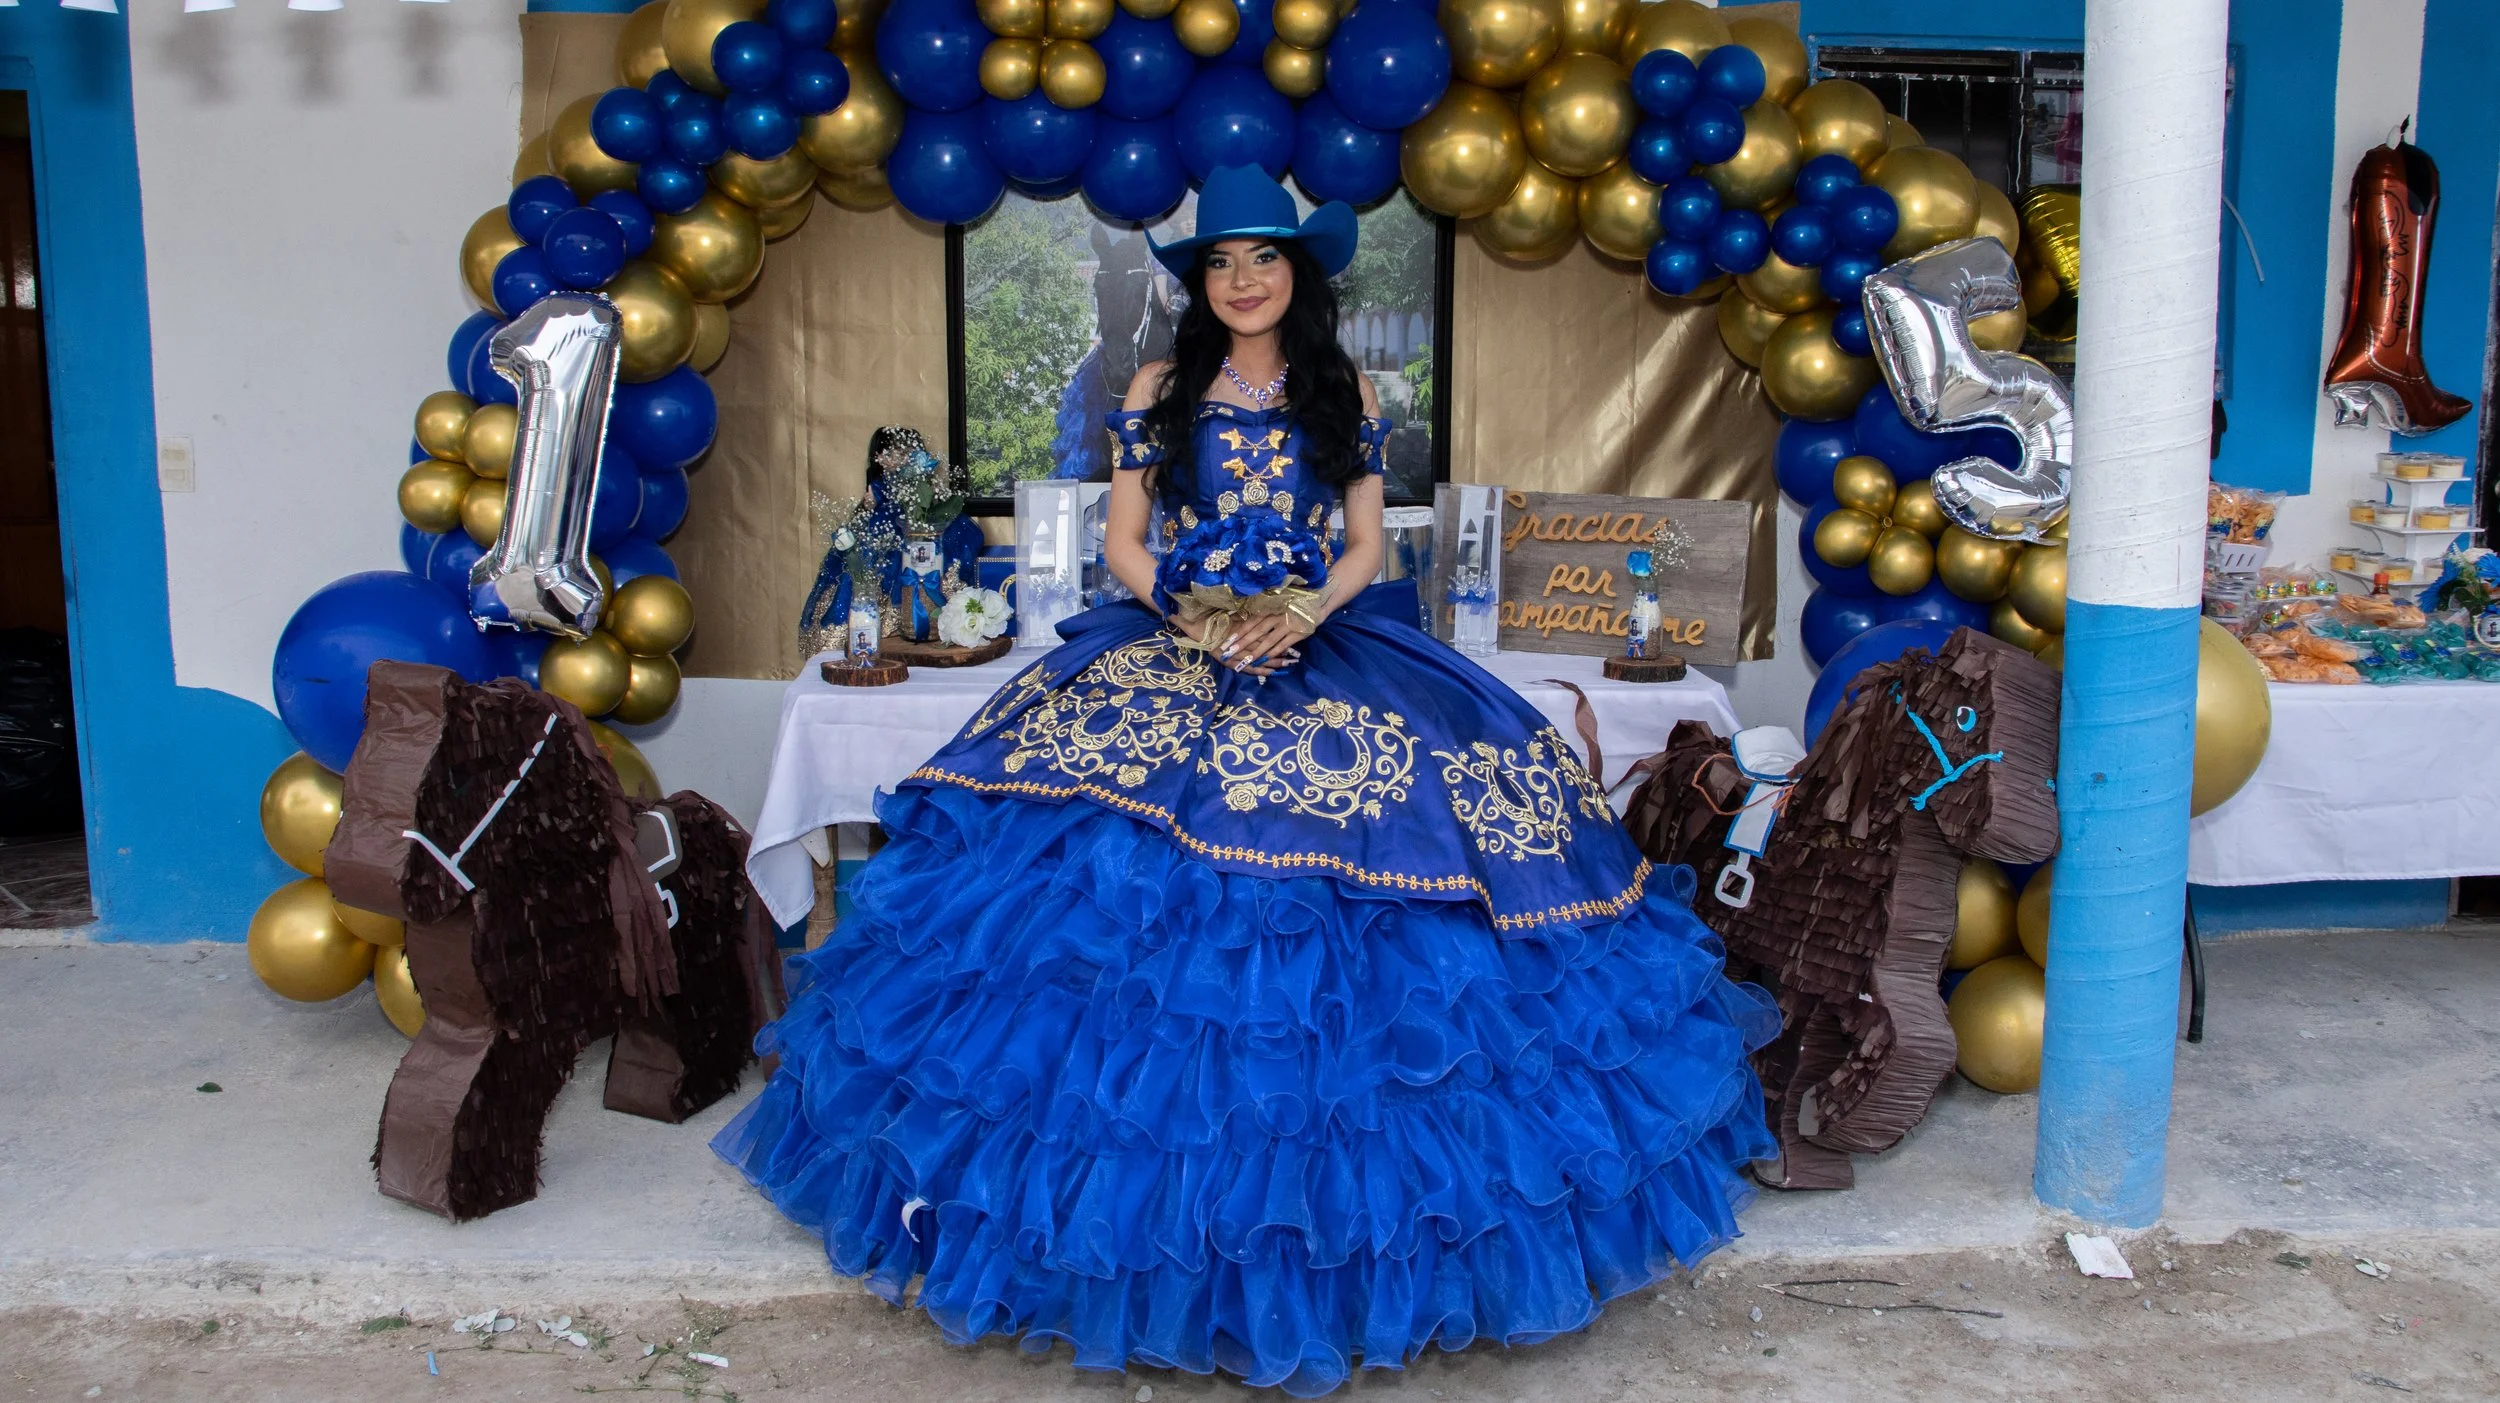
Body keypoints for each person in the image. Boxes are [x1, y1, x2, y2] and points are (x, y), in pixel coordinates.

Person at [714, 165, 1777, 1396]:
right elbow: (1124, 541)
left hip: (1326, 642)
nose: (1244, 278)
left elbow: (1371, 542)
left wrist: (1297, 610)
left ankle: (1349, 1242)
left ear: (1300, 274)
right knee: (1105, 905)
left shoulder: (1352, 390)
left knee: (1412, 882)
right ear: (1199, 284)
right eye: (1221, 262)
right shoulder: (1157, 389)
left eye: (1264, 258)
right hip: (1177, 641)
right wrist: (1200, 615)